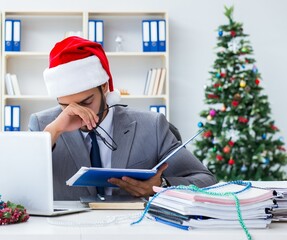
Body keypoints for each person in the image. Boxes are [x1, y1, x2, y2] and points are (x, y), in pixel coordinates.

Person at [28, 36, 217, 200]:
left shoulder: (151, 126)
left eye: (86, 102)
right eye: (66, 106)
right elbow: (19, 184)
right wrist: (52, 133)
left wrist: (162, 184)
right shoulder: (43, 126)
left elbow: (205, 179)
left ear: (104, 87)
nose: (78, 113)